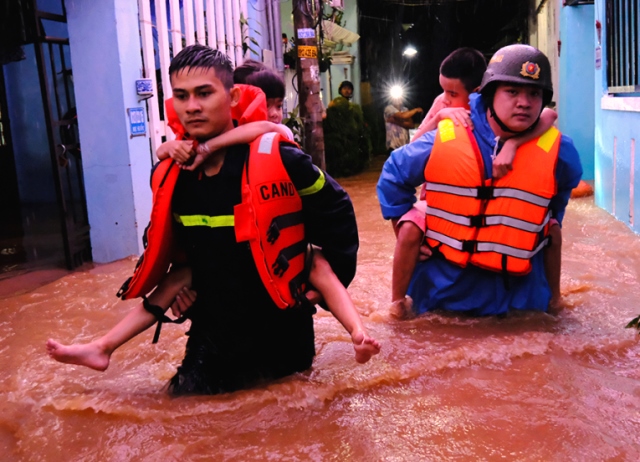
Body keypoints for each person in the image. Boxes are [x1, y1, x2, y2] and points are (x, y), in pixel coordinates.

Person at [48, 45, 380, 394]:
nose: (192, 106)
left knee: (290, 417)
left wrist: (323, 287)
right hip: (213, 336)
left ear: (232, 95)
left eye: (204, 93)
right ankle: (102, 348)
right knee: (183, 419)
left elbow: (337, 213)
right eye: (181, 96)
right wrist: (183, 295)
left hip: (284, 334)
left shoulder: (282, 160)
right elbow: (178, 257)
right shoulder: (169, 174)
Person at [377, 44, 582, 318]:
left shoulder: (559, 151)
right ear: (488, 94)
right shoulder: (446, 136)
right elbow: (393, 175)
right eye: (512, 92)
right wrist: (402, 226)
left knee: (552, 227)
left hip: (521, 300)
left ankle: (555, 300)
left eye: (534, 93)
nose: (524, 102)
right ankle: (397, 303)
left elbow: (558, 199)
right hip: (443, 295)